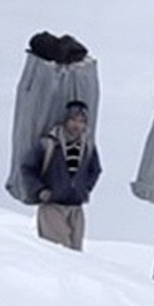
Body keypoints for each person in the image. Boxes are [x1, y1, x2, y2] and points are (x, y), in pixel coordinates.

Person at [19, 100, 103, 251]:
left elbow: (95, 170)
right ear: (65, 120)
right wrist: (40, 190)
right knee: (58, 251)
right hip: (53, 205)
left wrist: (85, 189)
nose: (76, 125)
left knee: (75, 253)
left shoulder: (88, 146)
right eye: (73, 120)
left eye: (81, 121)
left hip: (76, 208)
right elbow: (28, 168)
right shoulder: (49, 144)